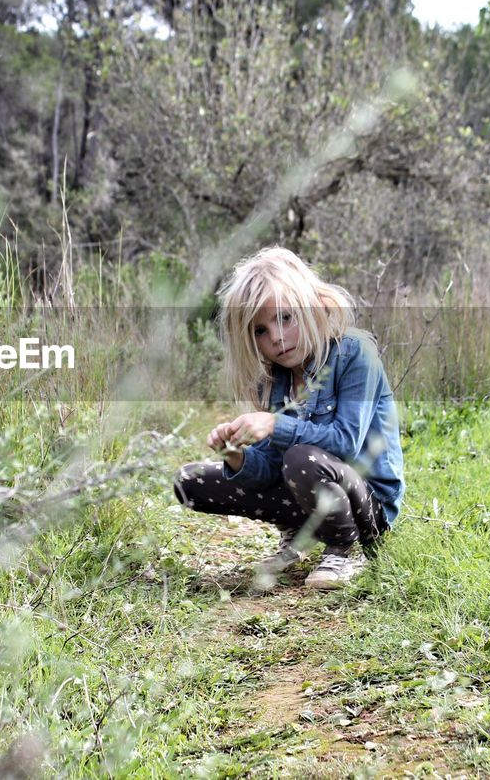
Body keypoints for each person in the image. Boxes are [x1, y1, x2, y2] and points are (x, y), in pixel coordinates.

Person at [173, 247, 404, 589]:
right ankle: (298, 533)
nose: (277, 338)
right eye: (260, 331)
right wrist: (235, 456)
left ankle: (344, 549)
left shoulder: (354, 353)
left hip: (367, 505)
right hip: (308, 492)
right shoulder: (273, 379)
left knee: (301, 457)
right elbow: (268, 468)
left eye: (285, 318)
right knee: (190, 481)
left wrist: (275, 425)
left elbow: (347, 443)